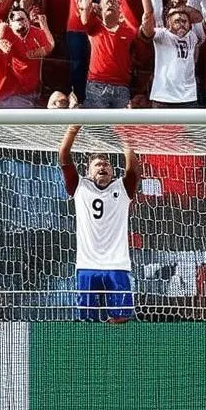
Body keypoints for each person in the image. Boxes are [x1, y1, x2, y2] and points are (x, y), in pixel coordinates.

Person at [58, 123, 141, 322]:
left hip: (117, 264)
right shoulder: (80, 186)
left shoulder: (123, 188)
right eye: (97, 164)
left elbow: (133, 170)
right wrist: (73, 129)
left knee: (122, 318)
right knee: (87, 319)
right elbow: (64, 156)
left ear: (113, 171)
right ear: (88, 172)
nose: (102, 166)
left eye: (106, 164)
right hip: (87, 264)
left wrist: (125, 136)